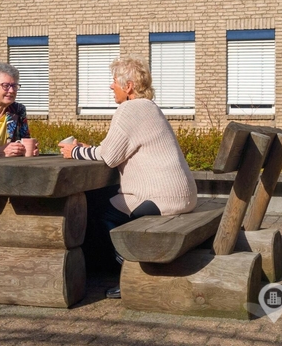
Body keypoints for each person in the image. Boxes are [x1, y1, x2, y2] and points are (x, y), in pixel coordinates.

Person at [59, 56, 197, 299]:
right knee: (104, 201)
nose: (111, 85)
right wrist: (91, 149)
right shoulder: (150, 107)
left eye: (114, 81)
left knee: (95, 208)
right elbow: (117, 149)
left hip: (159, 198)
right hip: (182, 195)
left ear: (129, 86)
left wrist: (74, 152)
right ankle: (119, 264)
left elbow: (109, 157)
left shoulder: (129, 109)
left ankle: (129, 268)